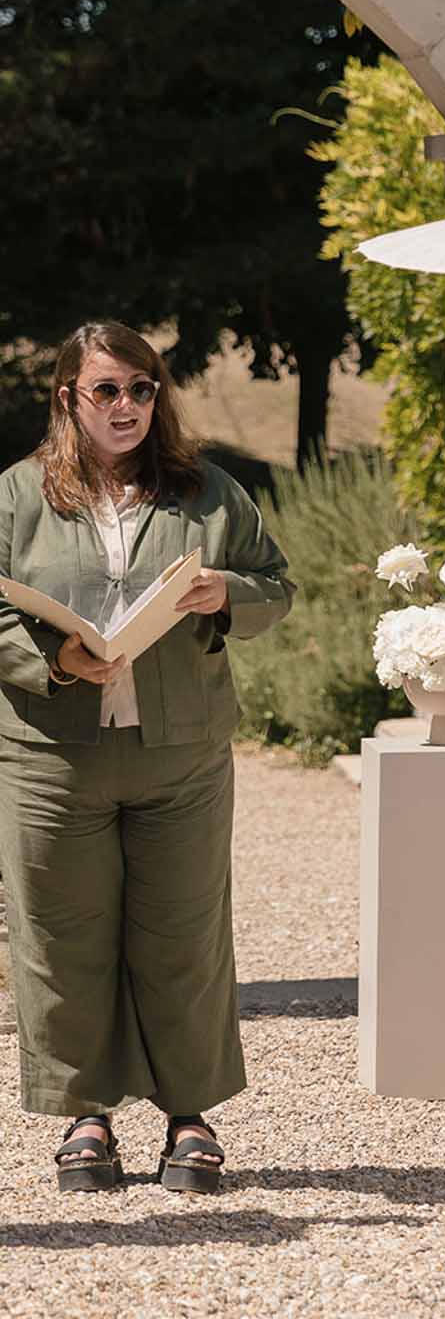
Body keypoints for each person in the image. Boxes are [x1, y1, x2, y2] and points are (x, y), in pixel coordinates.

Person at [0, 321, 294, 1194]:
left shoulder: (208, 493)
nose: (127, 406)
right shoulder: (17, 496)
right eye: (106, 390)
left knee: (183, 937)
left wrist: (224, 592)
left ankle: (189, 1118)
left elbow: (275, 584)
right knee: (63, 939)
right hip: (54, 758)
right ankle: (86, 1118)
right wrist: (56, 657)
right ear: (67, 399)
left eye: (141, 388)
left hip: (183, 757)